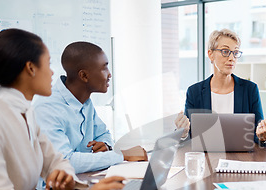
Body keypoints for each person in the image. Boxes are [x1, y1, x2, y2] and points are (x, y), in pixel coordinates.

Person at [0, 29, 126, 190]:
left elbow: (56, 160)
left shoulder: (25, 111)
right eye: (47, 64)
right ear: (30, 69)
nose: (52, 73)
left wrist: (63, 177)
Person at [34, 42, 189, 174]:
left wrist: (106, 145)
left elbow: (104, 134)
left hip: (86, 179)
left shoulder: (85, 102)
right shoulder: (48, 108)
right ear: (84, 76)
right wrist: (122, 155)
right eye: (104, 68)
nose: (109, 74)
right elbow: (65, 161)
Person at [184, 29, 266, 146]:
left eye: (235, 53)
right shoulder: (194, 92)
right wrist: (183, 133)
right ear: (211, 54)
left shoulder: (250, 90)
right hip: (207, 159)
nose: (231, 58)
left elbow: (259, 135)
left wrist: (263, 138)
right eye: (225, 51)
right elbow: (188, 139)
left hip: (241, 160)